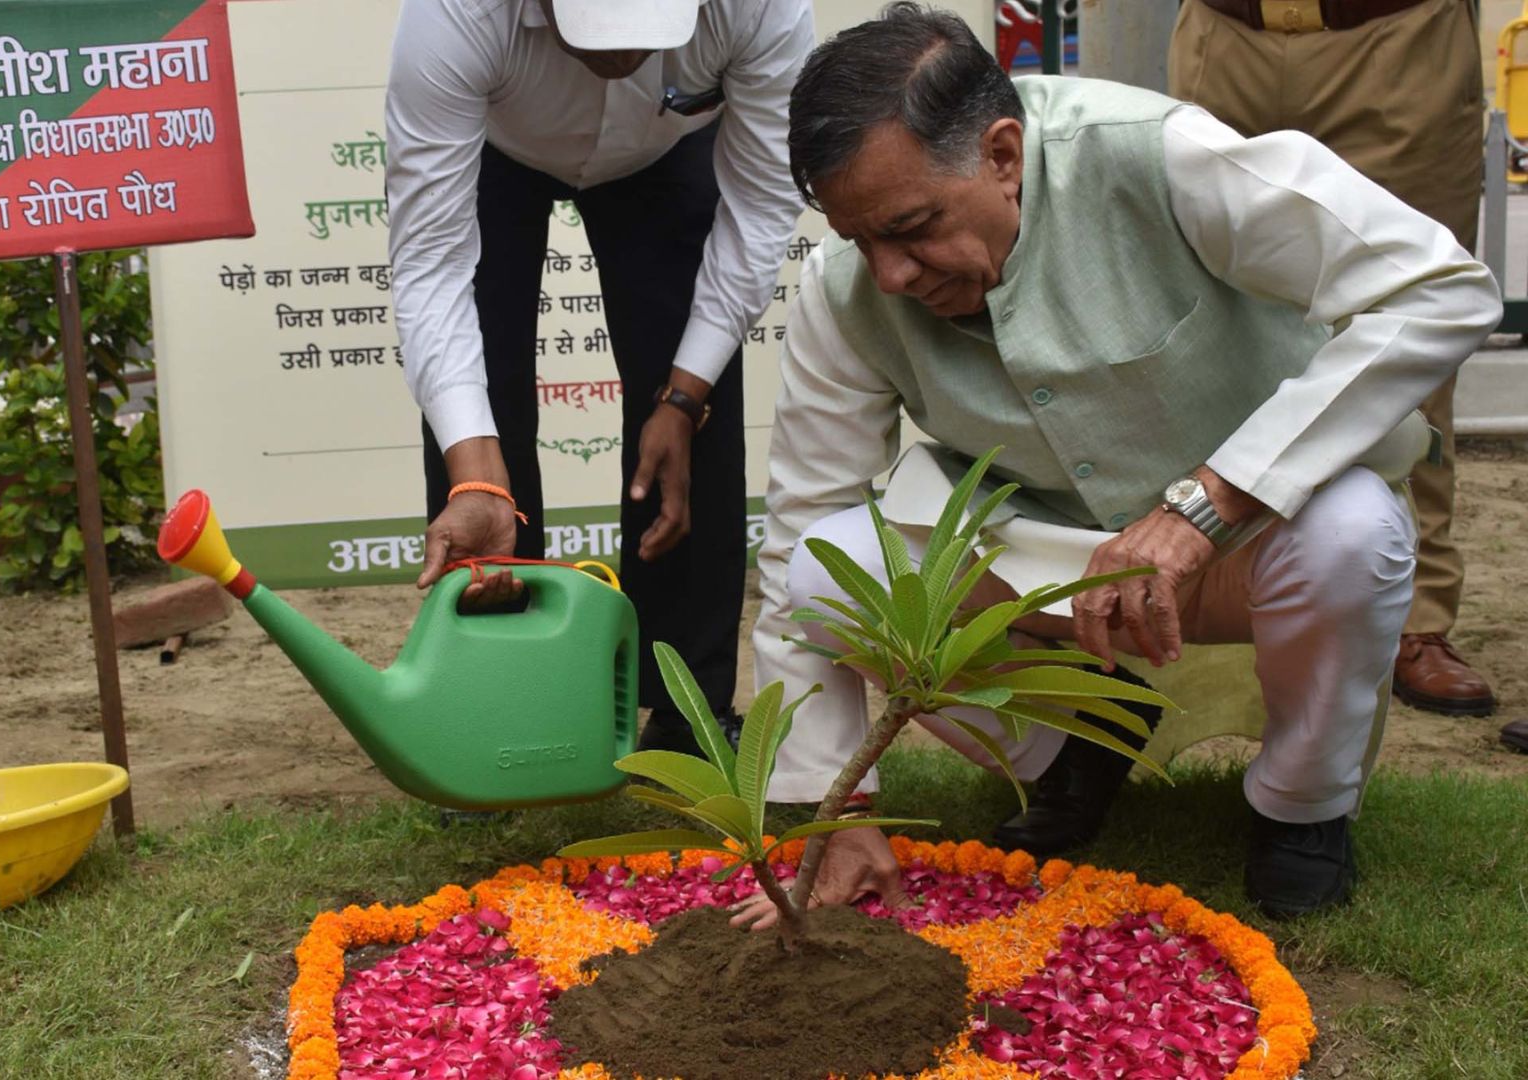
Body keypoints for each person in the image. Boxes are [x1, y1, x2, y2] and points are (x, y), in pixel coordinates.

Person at [735, 4, 1499, 923]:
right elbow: (796, 537)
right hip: (1040, 569)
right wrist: (833, 810)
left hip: (1249, 543)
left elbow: (1441, 289)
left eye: (912, 226)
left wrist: (1204, 508)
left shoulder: (1160, 154)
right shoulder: (844, 290)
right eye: (863, 239)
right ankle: (1071, 750)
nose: (891, 274)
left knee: (1358, 533)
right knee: (831, 567)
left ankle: (1301, 807)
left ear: (1003, 154)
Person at [385, 0, 811, 752]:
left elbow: (761, 205)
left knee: (691, 409)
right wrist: (477, 475)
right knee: (480, 422)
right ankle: (498, 710)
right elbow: (431, 263)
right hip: (496, 146)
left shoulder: (761, 5)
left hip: (665, 150)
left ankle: (687, 710)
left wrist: (684, 396)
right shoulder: (455, 14)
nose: (624, 55)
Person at [1166, 0, 1500, 724]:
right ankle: (1198, 599)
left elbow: (1427, 323)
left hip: (1396, 36)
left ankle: (1417, 615)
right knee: (1201, 327)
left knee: (1411, 328)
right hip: (1224, 36)